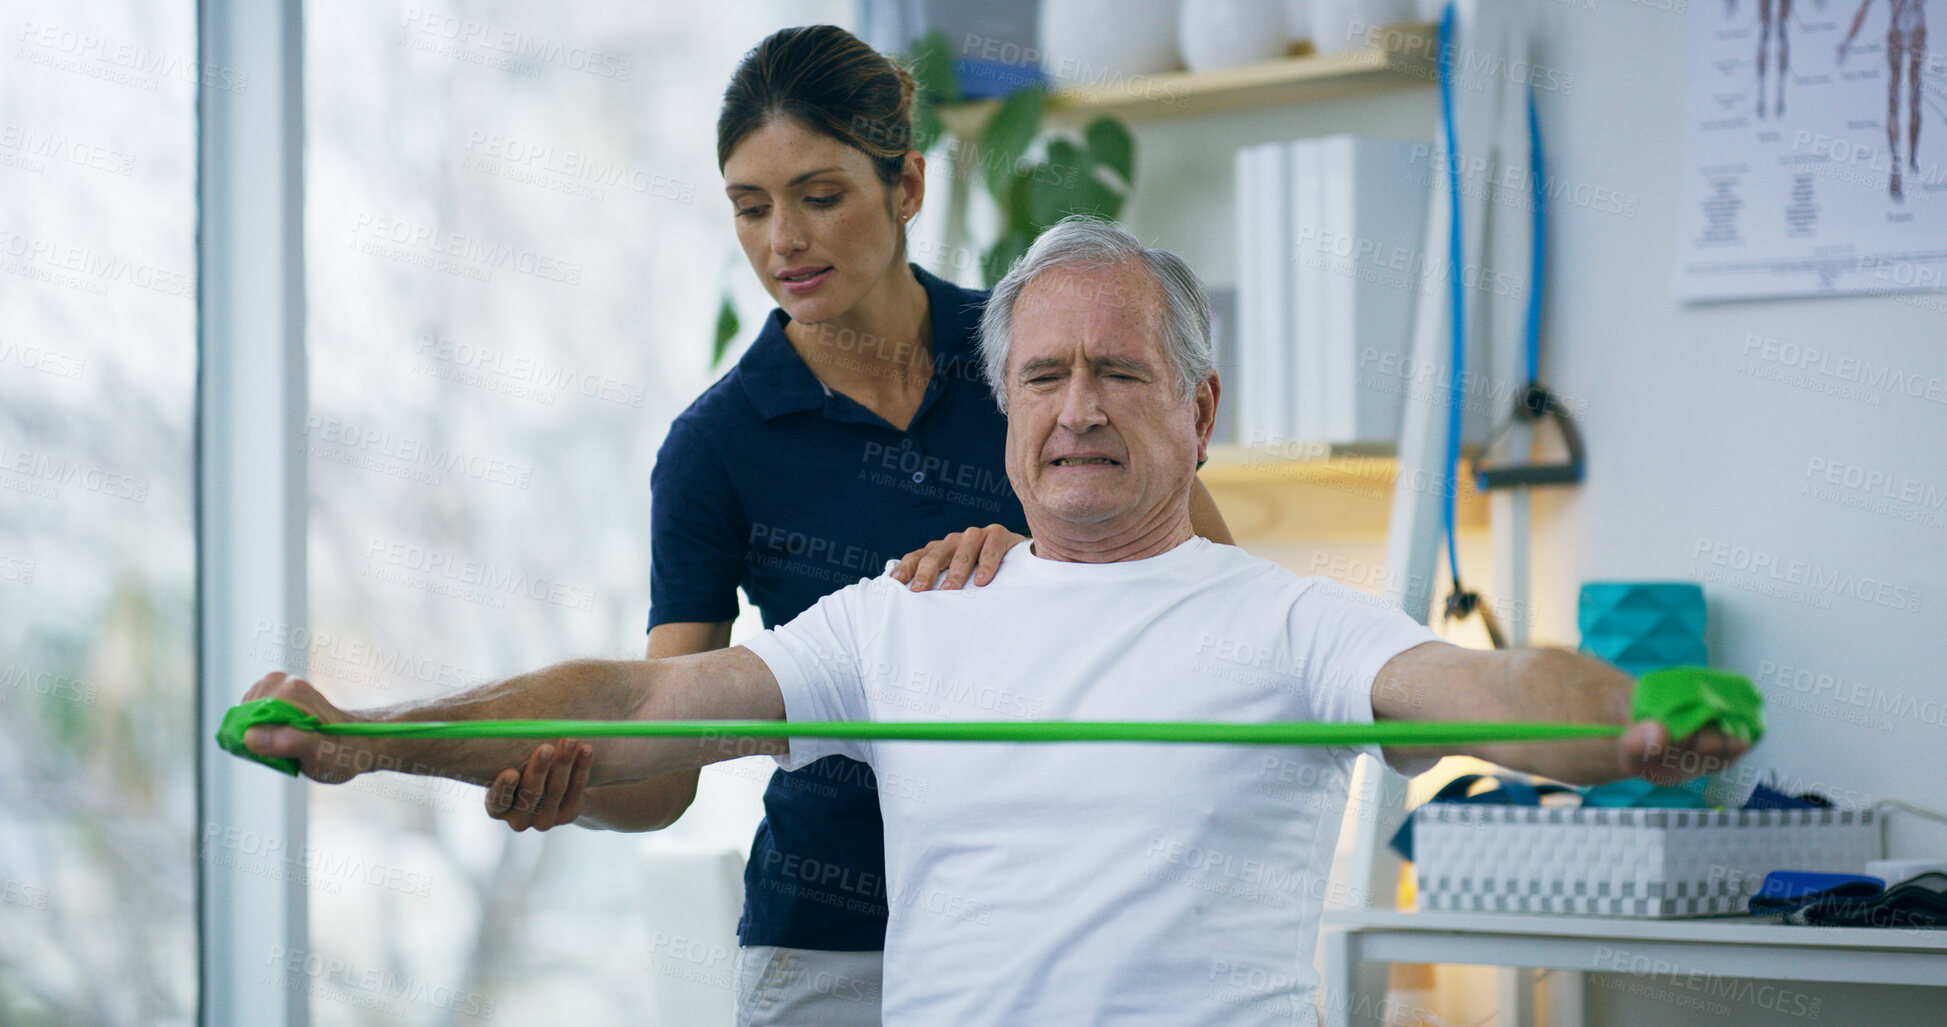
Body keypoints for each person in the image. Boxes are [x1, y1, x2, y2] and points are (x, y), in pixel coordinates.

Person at [242, 216, 1747, 1026]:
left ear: (1197, 410)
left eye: (1120, 371)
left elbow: (1485, 685)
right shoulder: (904, 613)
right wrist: (380, 738)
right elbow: (648, 714)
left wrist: (1620, 728)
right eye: (1043, 376)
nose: (1077, 407)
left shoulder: (1292, 621)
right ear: (1005, 405)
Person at [473, 25, 1231, 1026]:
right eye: (751, 207)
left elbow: (1210, 588)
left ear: (906, 185)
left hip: (1052, 921)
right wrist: (577, 786)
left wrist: (1040, 562)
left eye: (820, 196)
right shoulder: (715, 447)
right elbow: (666, 763)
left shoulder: (1038, 357)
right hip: (827, 946)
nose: (782, 240)